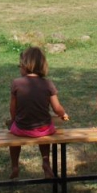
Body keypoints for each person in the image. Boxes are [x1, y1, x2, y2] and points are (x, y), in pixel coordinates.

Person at [7, 47, 69, 181]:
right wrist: (63, 114)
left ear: (25, 65)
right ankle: (46, 162)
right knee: (46, 131)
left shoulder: (16, 83)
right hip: (43, 129)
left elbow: (13, 108)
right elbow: (57, 107)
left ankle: (15, 165)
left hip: (21, 129)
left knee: (13, 137)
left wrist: (13, 120)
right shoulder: (48, 84)